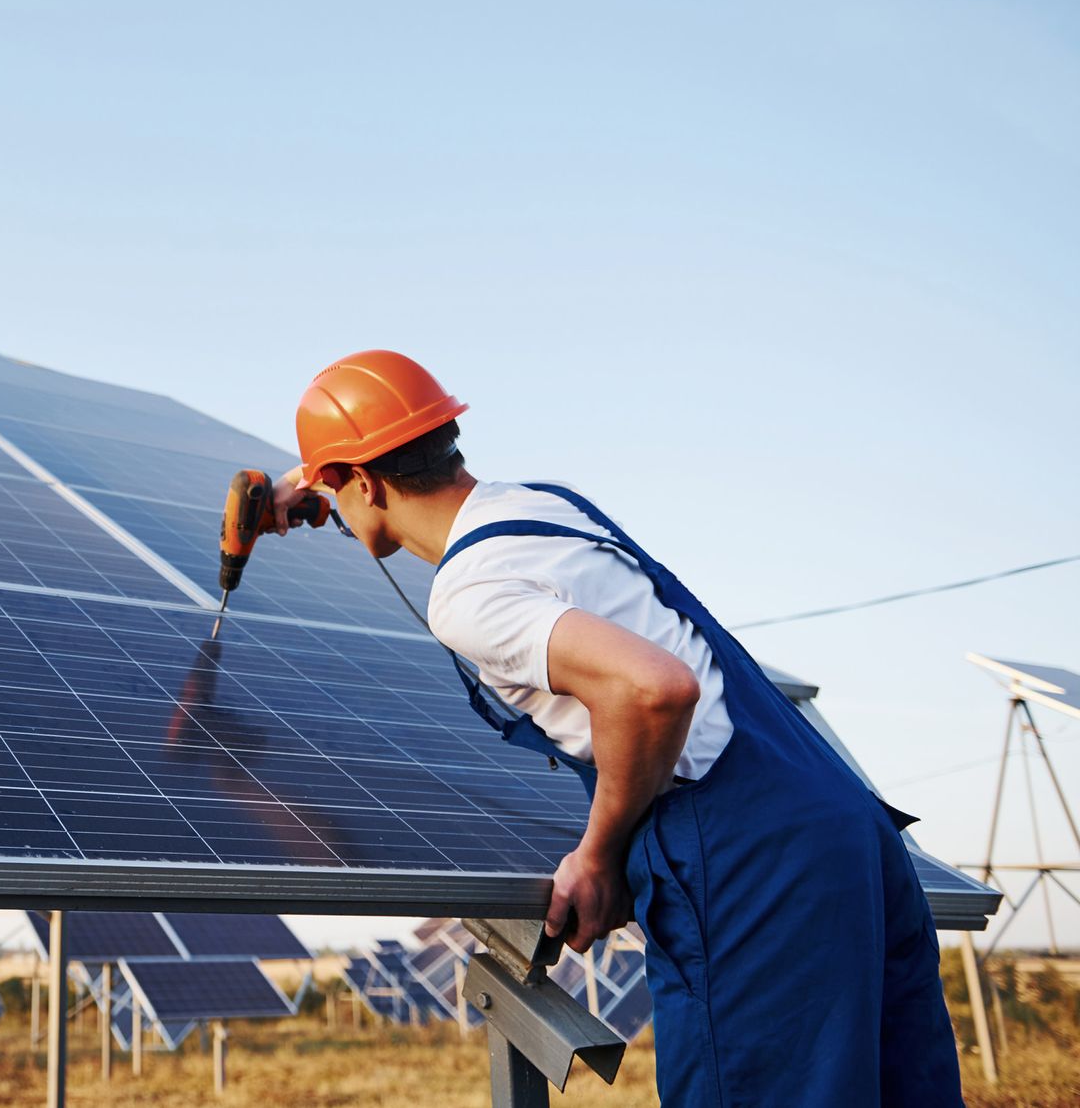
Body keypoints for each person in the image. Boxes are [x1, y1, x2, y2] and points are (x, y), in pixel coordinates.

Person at [271, 348, 961, 1107]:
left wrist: (597, 855)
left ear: (363, 481)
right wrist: (306, 490)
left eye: (336, 487)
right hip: (843, 828)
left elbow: (655, 690)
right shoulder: (544, 508)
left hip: (744, 859)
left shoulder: (465, 595)